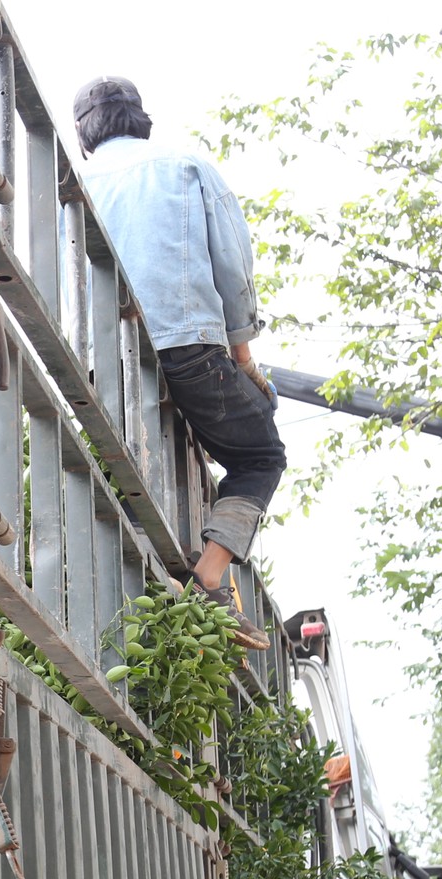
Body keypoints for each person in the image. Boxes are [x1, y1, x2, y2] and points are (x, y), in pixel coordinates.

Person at [74, 76, 285, 652]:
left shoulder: (71, 183)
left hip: (100, 365)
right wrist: (243, 357)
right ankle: (209, 581)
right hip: (188, 349)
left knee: (124, 472)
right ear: (141, 119)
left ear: (84, 135)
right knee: (260, 454)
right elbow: (234, 267)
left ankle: (135, 593)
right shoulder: (185, 165)